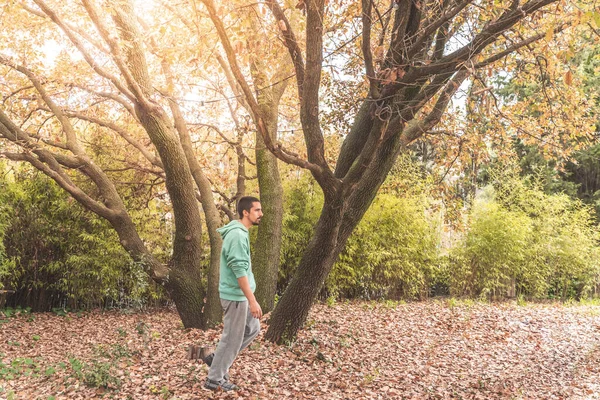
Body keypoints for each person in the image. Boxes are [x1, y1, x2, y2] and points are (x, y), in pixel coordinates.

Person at [203, 196, 263, 392]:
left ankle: (216, 359)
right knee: (232, 338)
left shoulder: (240, 232)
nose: (261, 214)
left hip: (241, 296)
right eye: (257, 210)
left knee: (252, 328)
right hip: (236, 297)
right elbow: (239, 271)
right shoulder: (237, 235)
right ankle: (214, 380)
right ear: (246, 212)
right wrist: (252, 301)